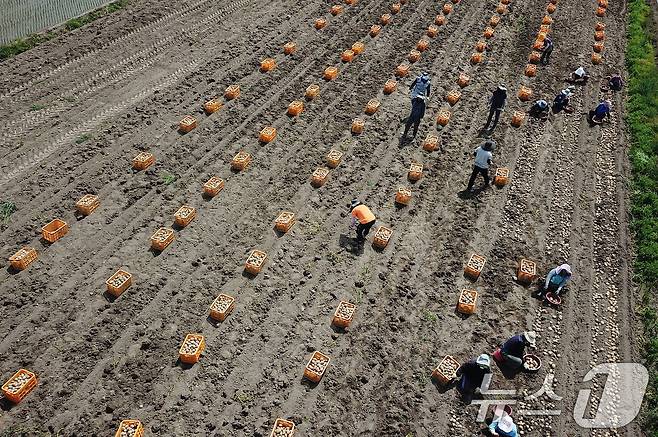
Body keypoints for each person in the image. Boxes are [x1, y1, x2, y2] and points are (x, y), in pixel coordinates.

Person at [402, 72, 431, 139]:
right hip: (415, 94)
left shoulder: (427, 83)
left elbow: (428, 90)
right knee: (408, 125)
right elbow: (413, 84)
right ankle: (405, 134)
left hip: (417, 117)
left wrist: (428, 96)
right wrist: (410, 89)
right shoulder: (415, 100)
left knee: (415, 126)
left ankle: (413, 136)